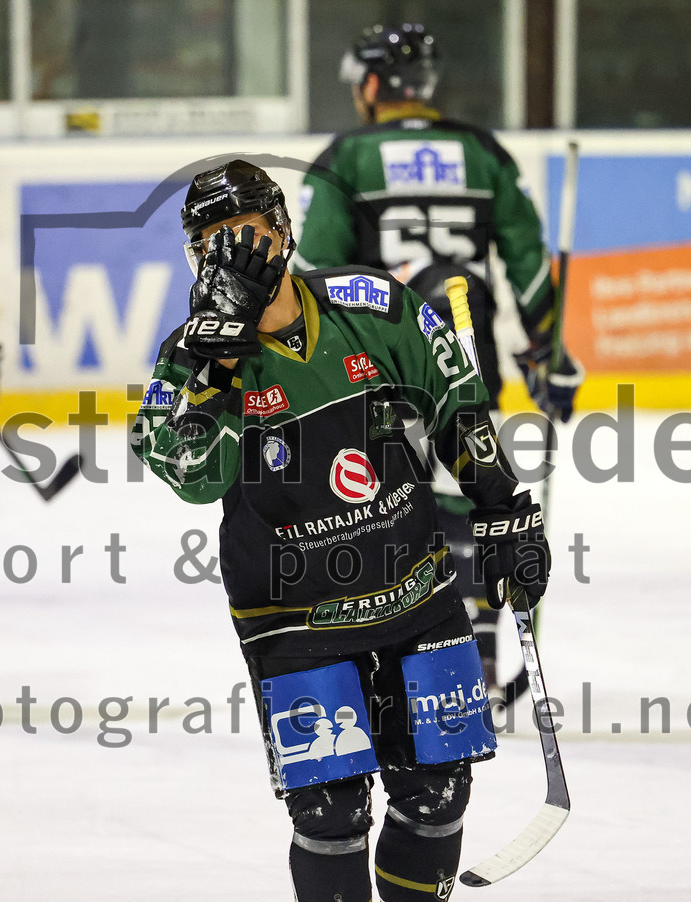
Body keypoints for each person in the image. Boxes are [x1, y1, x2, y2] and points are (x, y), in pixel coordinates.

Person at [132, 159, 551, 901]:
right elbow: (194, 480)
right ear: (196, 259)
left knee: (438, 796)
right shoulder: (186, 359)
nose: (238, 253)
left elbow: (457, 400)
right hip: (292, 620)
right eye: (216, 241)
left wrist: (502, 506)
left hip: (418, 594)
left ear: (286, 231)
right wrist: (222, 358)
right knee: (330, 815)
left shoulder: (374, 305)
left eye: (251, 233)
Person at [294, 23, 583, 695]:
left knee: (384, 496)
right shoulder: (480, 152)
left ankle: (391, 649)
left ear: (370, 85)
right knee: (471, 481)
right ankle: (475, 653)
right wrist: (549, 353)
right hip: (465, 333)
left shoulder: (349, 155)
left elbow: (313, 273)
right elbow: (530, 269)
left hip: (383, 350)